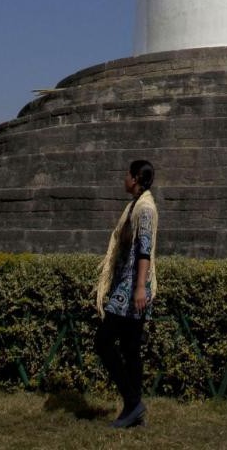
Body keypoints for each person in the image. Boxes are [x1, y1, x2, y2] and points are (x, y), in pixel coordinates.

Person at [94, 159, 158, 430]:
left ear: (135, 179)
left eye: (126, 174)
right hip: (131, 284)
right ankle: (135, 412)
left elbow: (144, 248)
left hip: (132, 287)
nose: (124, 178)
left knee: (104, 342)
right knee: (131, 349)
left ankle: (132, 402)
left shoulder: (144, 209)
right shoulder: (136, 205)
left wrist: (140, 287)